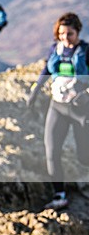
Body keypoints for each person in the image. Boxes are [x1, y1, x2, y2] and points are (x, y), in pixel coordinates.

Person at [26, 12, 89, 210]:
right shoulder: (56, 49)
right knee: (52, 151)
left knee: (84, 156)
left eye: (69, 34)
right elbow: (46, 69)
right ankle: (59, 195)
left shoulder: (86, 50)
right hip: (58, 106)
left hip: (82, 109)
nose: (65, 38)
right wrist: (35, 91)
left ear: (77, 32)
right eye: (61, 34)